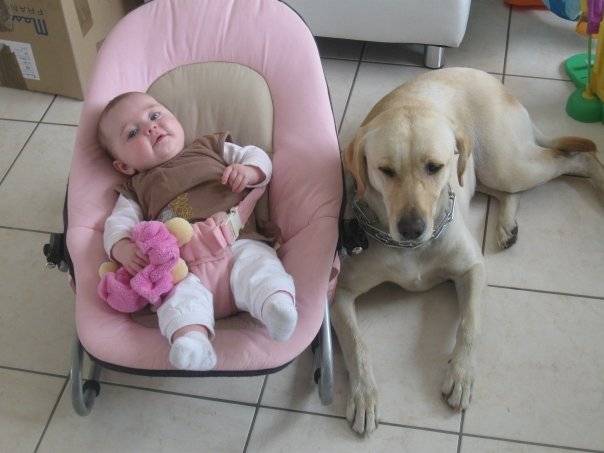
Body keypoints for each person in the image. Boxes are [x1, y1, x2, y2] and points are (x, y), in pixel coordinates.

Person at [98, 91, 297, 371]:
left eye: (154, 115)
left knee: (260, 267)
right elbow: (118, 223)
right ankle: (192, 341)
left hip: (238, 242)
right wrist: (122, 248)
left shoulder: (209, 146)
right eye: (133, 133)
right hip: (183, 267)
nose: (151, 128)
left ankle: (275, 306)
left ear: (175, 119)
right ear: (124, 166)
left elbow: (256, 155)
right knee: (176, 299)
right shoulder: (136, 188)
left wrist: (250, 171)